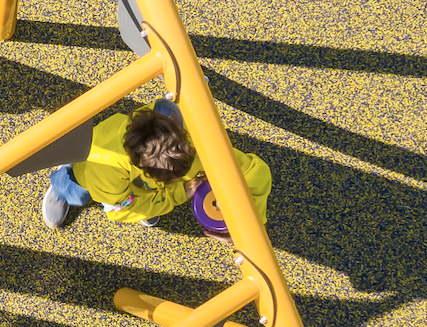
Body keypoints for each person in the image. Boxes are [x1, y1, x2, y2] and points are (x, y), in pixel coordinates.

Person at [40, 99, 271, 231]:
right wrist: (180, 192)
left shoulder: (194, 139)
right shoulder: (105, 169)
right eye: (174, 179)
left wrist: (250, 222)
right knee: (81, 191)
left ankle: (152, 198)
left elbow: (254, 172)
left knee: (150, 200)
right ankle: (63, 182)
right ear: (146, 170)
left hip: (138, 171)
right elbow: (124, 210)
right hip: (94, 165)